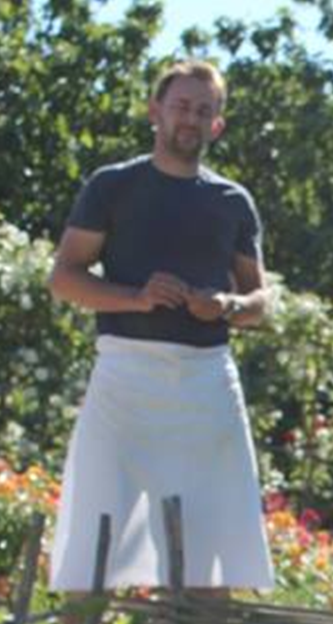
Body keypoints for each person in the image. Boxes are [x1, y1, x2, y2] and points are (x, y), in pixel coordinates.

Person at [47, 59, 274, 596]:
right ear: (155, 111)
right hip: (124, 375)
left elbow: (260, 301)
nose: (190, 119)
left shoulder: (232, 201)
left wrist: (223, 304)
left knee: (214, 533)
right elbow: (64, 277)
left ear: (217, 124)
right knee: (96, 517)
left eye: (204, 110)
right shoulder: (112, 186)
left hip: (206, 381)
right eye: (180, 106)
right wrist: (135, 296)